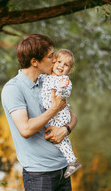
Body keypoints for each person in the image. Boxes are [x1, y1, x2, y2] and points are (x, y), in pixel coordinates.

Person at [1, 34, 78, 191]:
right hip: (39, 174)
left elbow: (73, 117)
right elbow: (25, 129)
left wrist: (66, 130)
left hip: (62, 170)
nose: (55, 61)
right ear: (34, 61)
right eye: (51, 56)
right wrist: (53, 110)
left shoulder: (49, 81)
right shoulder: (13, 89)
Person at [40, 49, 82, 178]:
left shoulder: (64, 80)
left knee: (59, 139)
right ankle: (71, 160)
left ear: (69, 70)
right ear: (53, 62)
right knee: (61, 139)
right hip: (54, 113)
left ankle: (72, 161)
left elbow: (65, 95)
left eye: (66, 65)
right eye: (59, 62)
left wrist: (62, 88)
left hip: (60, 114)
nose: (61, 66)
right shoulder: (47, 77)